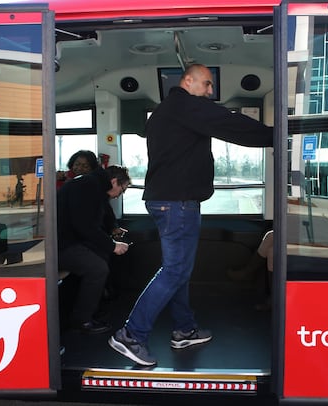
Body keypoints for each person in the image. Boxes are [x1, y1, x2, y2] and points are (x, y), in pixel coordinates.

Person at [109, 63, 273, 366]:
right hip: (177, 203)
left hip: (169, 201)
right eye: (207, 85)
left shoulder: (167, 111)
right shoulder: (184, 104)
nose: (210, 92)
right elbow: (230, 123)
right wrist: (276, 135)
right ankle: (130, 335)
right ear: (189, 81)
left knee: (179, 270)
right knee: (174, 271)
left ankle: (184, 329)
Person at [57, 165, 131, 334]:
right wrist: (112, 246)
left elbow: (103, 213)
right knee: (98, 268)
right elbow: (85, 226)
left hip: (70, 239)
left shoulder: (93, 185)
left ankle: (94, 306)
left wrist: (112, 230)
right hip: (62, 245)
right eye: (121, 189)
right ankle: (81, 320)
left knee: (101, 255)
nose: (120, 194)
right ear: (114, 182)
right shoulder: (89, 187)